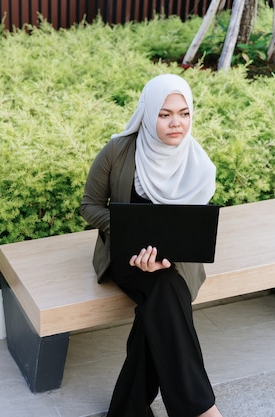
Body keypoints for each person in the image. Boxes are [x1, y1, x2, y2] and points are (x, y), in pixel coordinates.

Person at [80, 74, 223, 417]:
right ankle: (202, 411)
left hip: (178, 261)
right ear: (147, 114)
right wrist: (130, 230)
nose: (177, 123)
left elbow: (191, 228)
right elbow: (89, 206)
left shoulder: (197, 162)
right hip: (127, 257)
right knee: (164, 294)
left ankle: (127, 411)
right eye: (165, 114)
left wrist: (166, 255)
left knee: (159, 302)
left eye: (184, 113)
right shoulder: (118, 150)